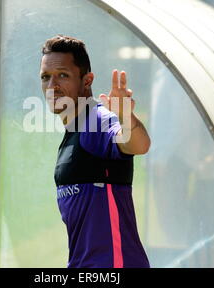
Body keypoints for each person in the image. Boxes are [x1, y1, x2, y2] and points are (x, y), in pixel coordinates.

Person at [40, 34, 151, 268]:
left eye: (63, 75)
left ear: (87, 80)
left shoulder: (97, 120)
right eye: (45, 77)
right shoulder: (74, 130)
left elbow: (138, 145)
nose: (52, 86)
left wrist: (125, 117)